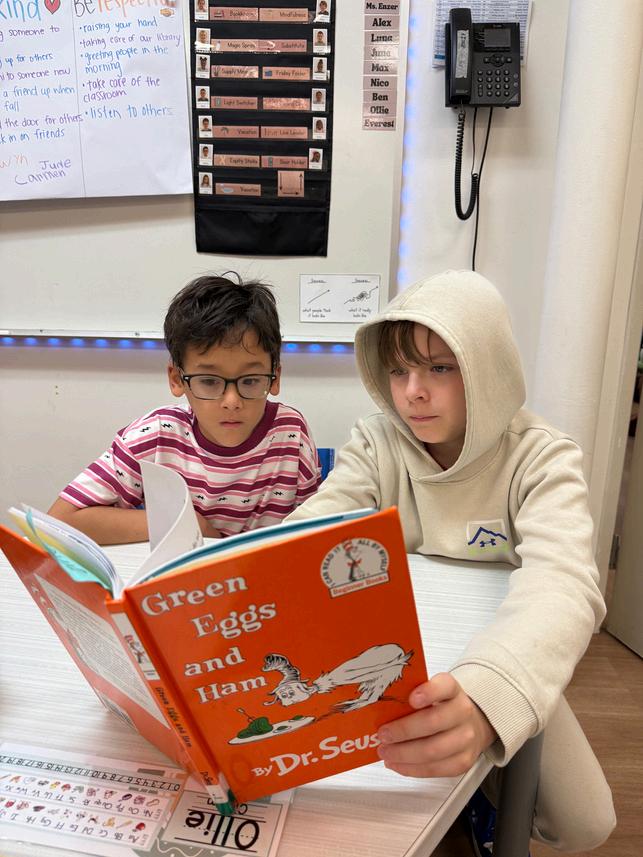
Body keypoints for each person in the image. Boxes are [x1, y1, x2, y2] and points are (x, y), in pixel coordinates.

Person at [285, 270, 616, 853]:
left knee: (584, 822)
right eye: (398, 371)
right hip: (394, 654)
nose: (413, 391)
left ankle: (481, 794)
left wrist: (490, 701)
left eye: (440, 368)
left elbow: (564, 583)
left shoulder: (542, 457)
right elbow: (312, 530)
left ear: (487, 368)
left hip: (495, 651)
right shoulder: (377, 443)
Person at [49, 275, 321, 545]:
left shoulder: (291, 433)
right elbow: (62, 520)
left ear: (275, 378)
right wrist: (190, 523)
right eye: (209, 381)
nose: (231, 401)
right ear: (177, 379)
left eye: (250, 381)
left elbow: (316, 529)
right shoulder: (155, 435)